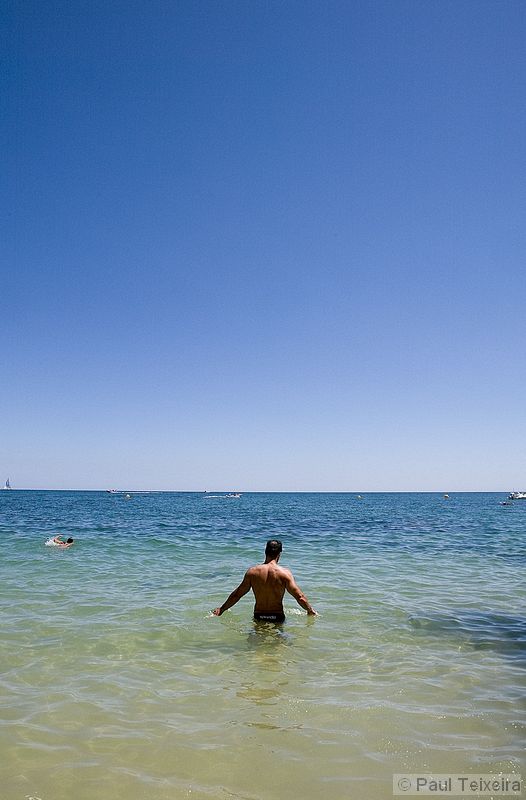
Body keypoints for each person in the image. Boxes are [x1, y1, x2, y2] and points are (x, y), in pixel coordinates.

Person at [213, 539, 316, 623]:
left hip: (259, 616)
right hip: (277, 617)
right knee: (278, 646)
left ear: (265, 552)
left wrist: (221, 609)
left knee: (257, 645)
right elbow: (300, 597)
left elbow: (237, 595)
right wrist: (310, 610)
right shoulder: (284, 573)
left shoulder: (252, 572)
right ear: (279, 554)